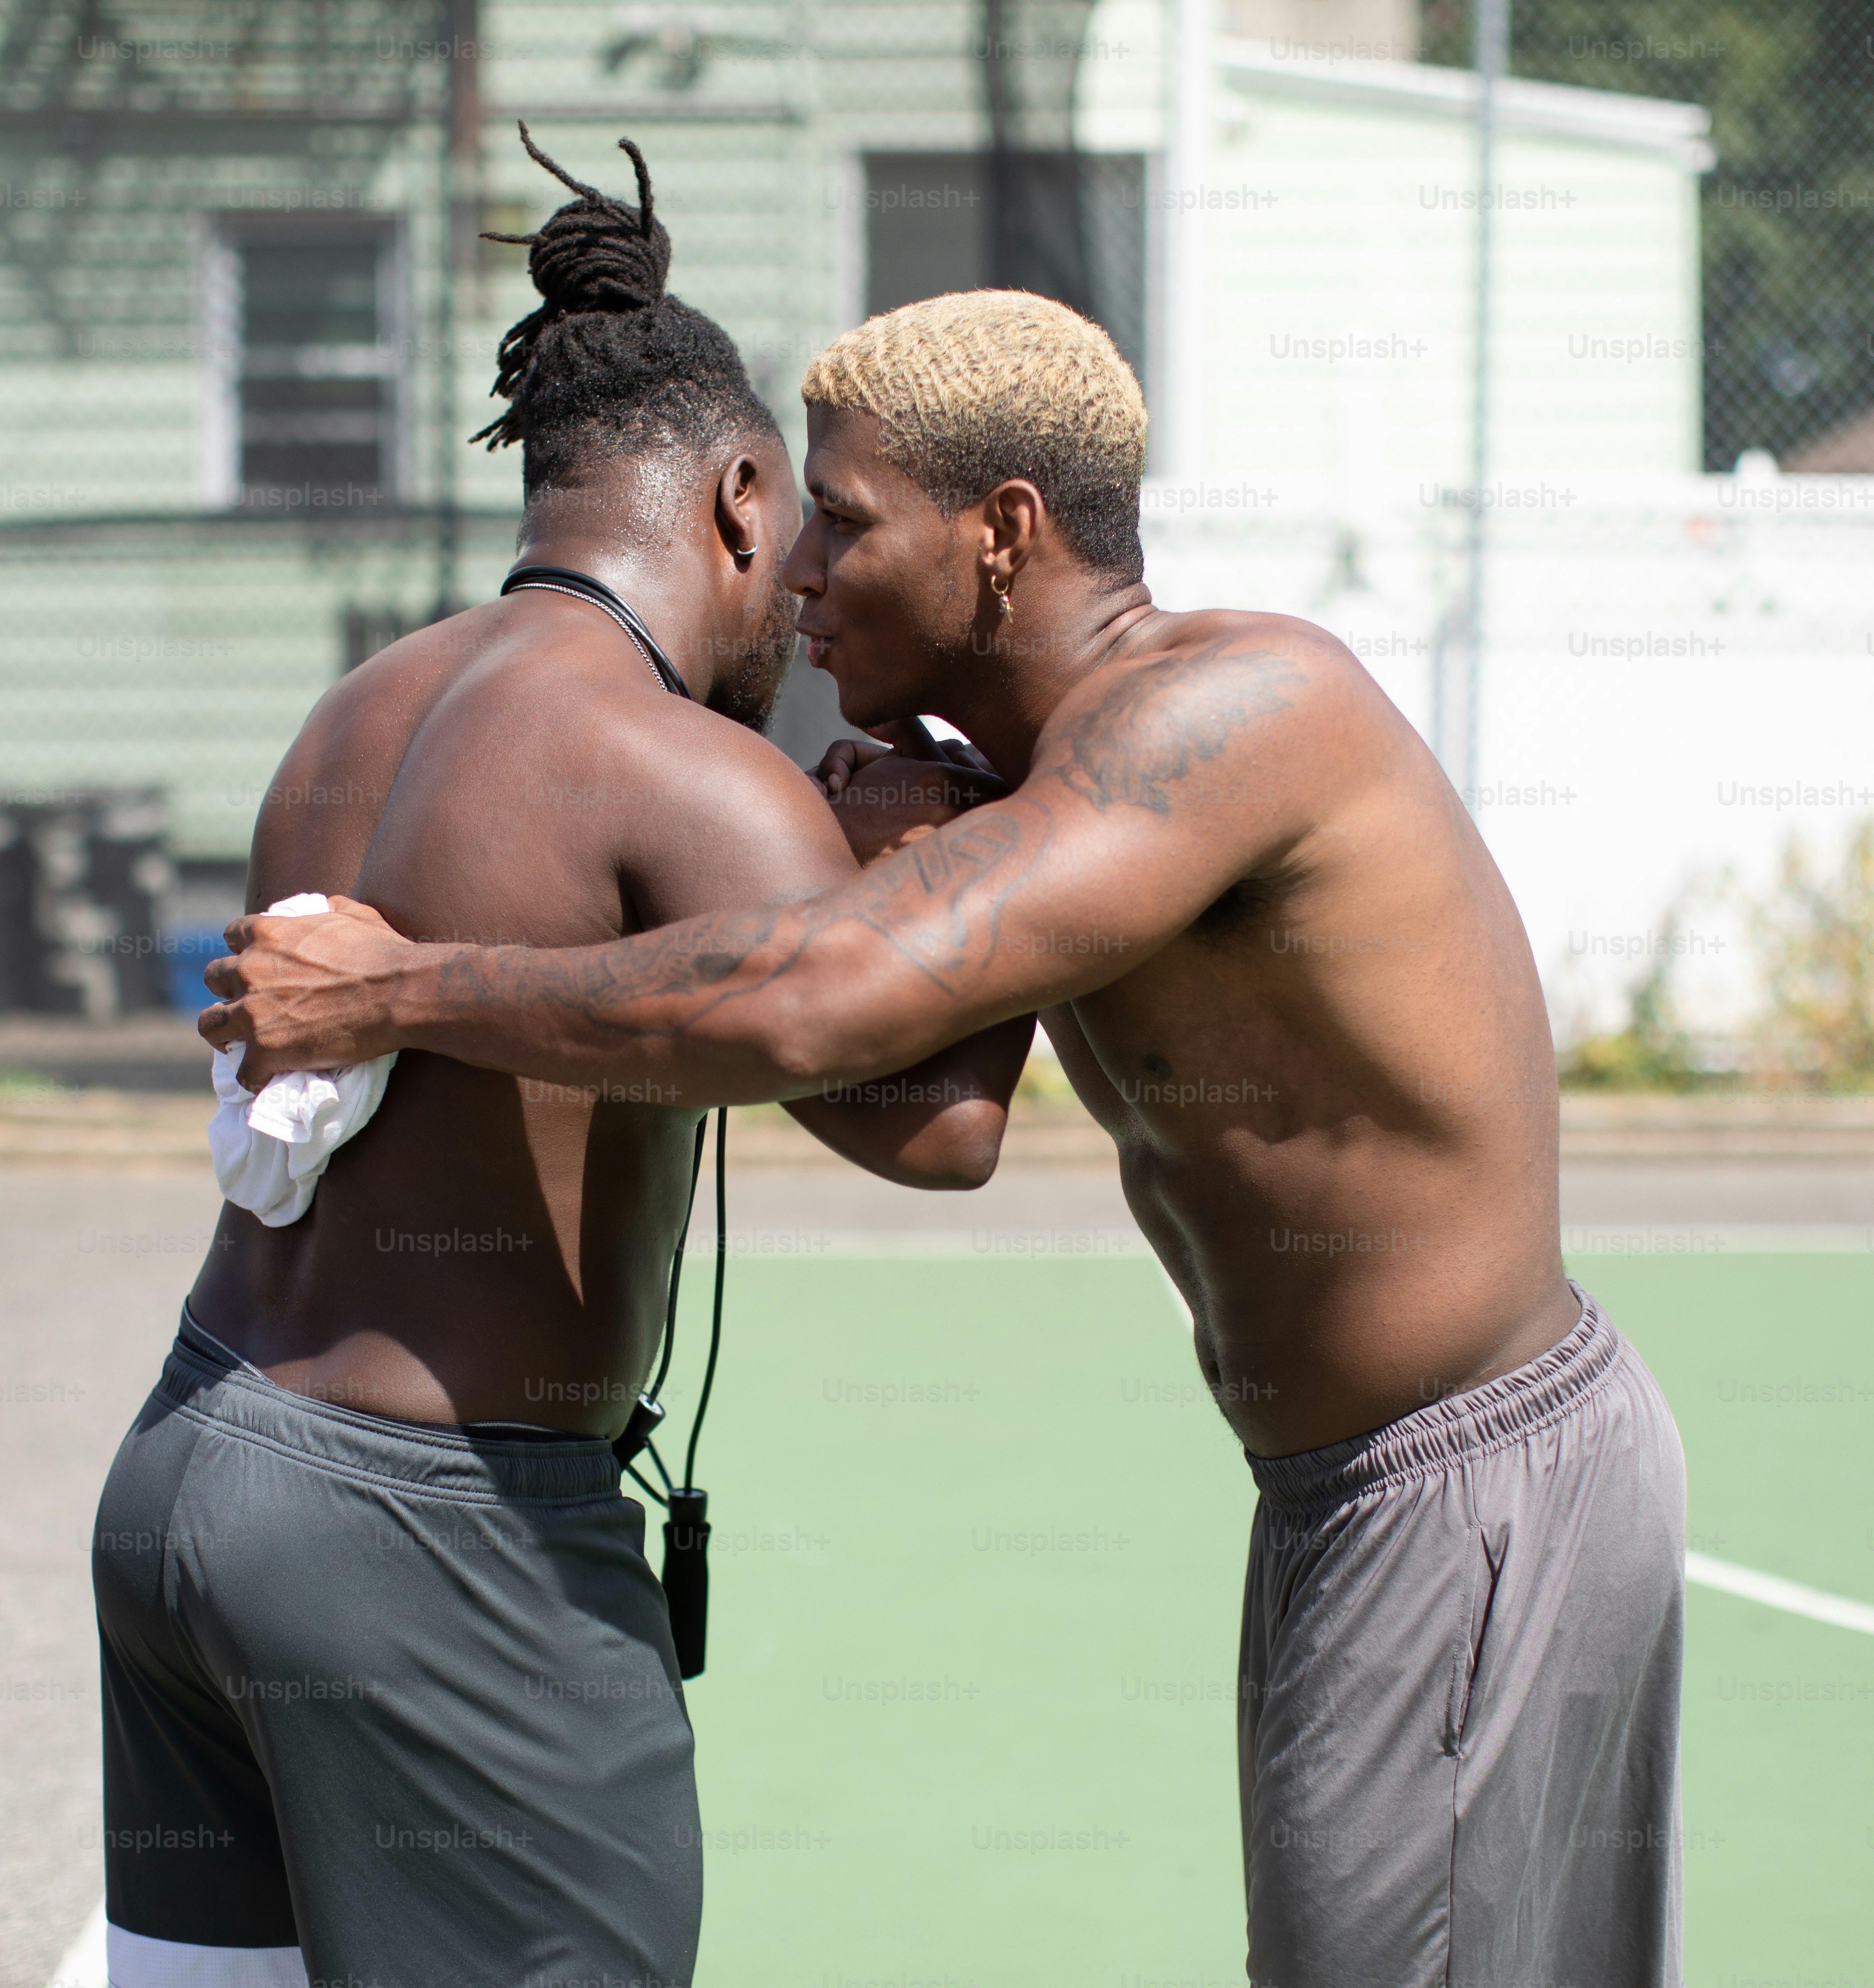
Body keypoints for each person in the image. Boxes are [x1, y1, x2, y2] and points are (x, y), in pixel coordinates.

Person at [202, 288, 1690, 1986]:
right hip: (1339, 1493)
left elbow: (821, 1011)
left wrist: (402, 988)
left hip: (1470, 1476)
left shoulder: (1238, 709)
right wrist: (924, 823)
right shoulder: (1041, 780)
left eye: (845, 520)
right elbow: (917, 1053)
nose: (796, 567)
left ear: (1003, 534)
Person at [93, 137, 1033, 1988]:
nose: (809, 591)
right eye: (805, 536)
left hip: (189, 1476)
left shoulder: (361, 705)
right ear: (739, 499)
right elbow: (944, 1131)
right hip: (433, 1543)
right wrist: (975, 839)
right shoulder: (684, 767)